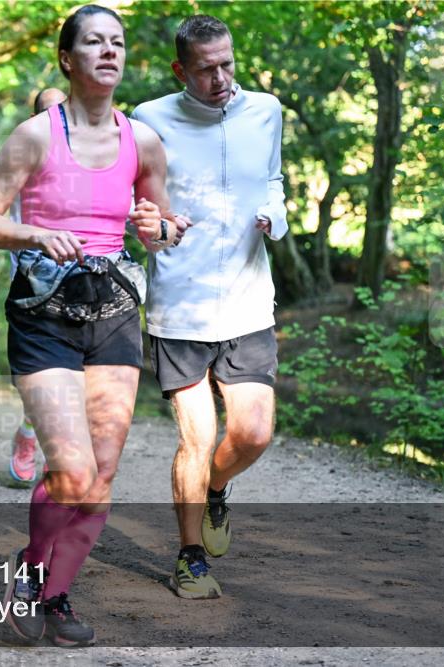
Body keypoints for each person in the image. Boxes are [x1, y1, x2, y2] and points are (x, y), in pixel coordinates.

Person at [0, 5, 187, 646]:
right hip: (43, 317)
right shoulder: (35, 135)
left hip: (113, 310)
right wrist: (36, 231)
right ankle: (30, 569)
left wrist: (159, 230)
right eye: (94, 42)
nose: (109, 52)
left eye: (116, 42)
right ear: (68, 59)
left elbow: (163, 225)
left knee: (103, 473)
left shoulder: (142, 141)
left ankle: (55, 593)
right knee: (69, 470)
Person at [132, 14, 288, 600]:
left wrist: (278, 216)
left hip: (248, 303)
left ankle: (216, 489)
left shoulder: (265, 111)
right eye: (206, 69)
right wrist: (161, 234)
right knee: (195, 440)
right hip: (181, 307)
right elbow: (144, 218)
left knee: (252, 435)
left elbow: (271, 181)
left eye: (227, 64)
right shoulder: (150, 119)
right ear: (181, 71)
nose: (221, 78)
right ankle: (189, 556)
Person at [8, 87, 68, 485]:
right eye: (47, 112)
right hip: (33, 281)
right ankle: (31, 433)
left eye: (61, 111)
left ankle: (53, 444)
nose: (56, 119)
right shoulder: (20, 157)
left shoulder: (94, 155)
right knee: (36, 375)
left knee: (69, 374)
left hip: (84, 281)